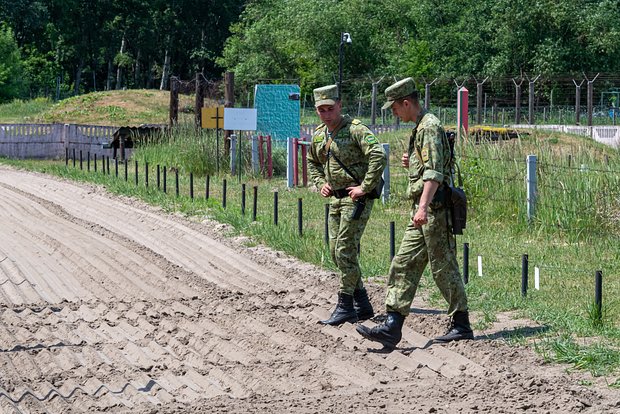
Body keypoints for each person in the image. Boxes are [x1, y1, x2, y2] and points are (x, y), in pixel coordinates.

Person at [356, 77, 473, 349]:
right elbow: (430, 163)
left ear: (406, 103)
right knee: (403, 263)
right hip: (424, 210)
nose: (394, 113)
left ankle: (461, 323)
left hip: (434, 210)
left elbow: (434, 173)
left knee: (443, 268)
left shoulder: (429, 127)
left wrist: (422, 207)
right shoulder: (421, 127)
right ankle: (392, 326)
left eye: (395, 108)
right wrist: (413, 162)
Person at [308, 84, 387, 326]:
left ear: (339, 106)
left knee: (344, 250)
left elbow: (378, 155)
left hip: (356, 199)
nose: (326, 113)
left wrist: (365, 186)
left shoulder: (356, 130)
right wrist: (320, 182)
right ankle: (362, 302)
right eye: (321, 109)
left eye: (330, 108)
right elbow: (312, 161)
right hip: (335, 199)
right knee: (336, 251)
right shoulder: (320, 134)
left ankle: (345, 305)